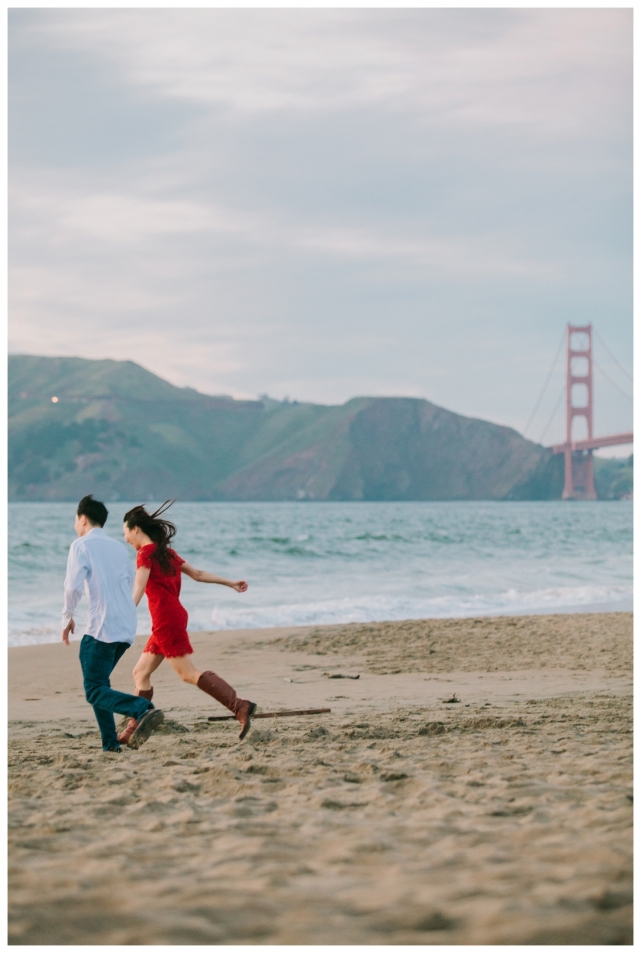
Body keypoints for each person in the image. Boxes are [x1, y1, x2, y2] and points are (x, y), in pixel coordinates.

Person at [117, 501, 256, 746]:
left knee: (188, 673)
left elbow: (138, 590)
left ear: (135, 528)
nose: (125, 537)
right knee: (140, 672)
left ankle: (239, 705)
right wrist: (230, 582)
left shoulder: (145, 553)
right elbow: (198, 574)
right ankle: (134, 728)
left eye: (125, 532)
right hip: (172, 616)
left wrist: (122, 616)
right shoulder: (166, 553)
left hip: (165, 619)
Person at [62, 495, 165, 752]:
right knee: (100, 684)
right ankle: (110, 744)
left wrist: (67, 617)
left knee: (94, 690)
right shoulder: (119, 548)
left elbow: (72, 586)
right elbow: (127, 585)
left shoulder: (81, 545)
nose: (76, 524)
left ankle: (140, 708)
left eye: (76, 519)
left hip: (101, 629)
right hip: (125, 627)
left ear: (82, 519)